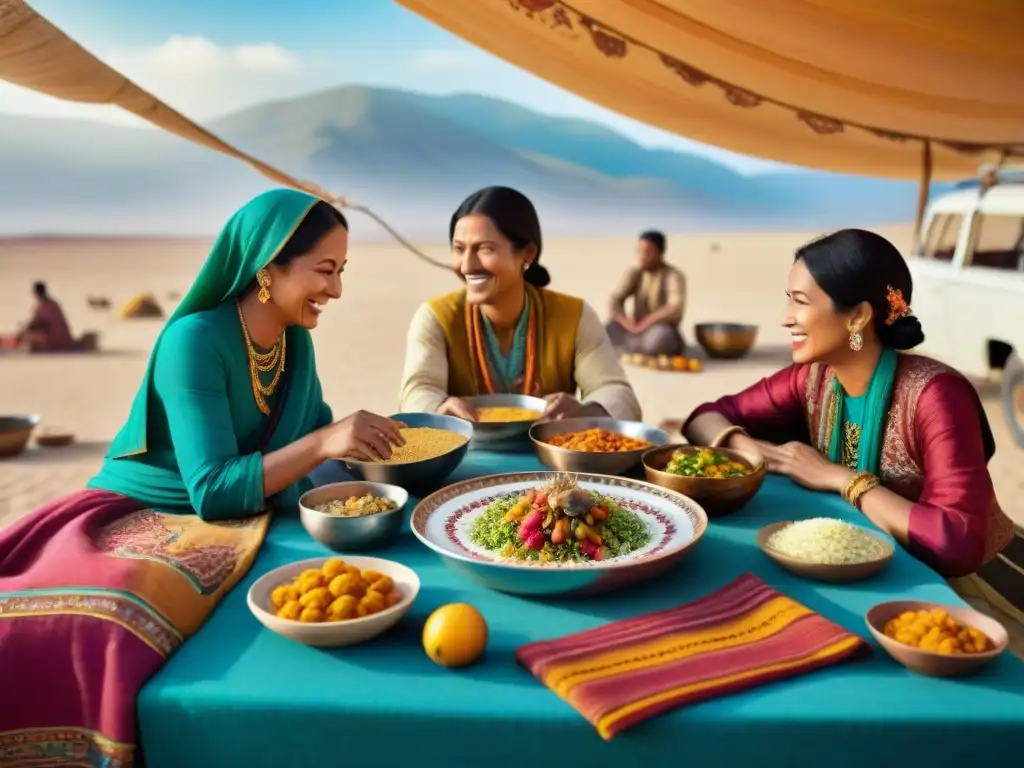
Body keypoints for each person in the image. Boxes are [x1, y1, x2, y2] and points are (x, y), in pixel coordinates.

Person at [0, 189, 404, 766]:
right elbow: (213, 490)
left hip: (242, 514)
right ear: (268, 267)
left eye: (341, 271)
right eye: (324, 270)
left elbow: (318, 445)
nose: (336, 290)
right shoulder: (193, 342)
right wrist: (323, 442)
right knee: (109, 625)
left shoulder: (295, 342)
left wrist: (385, 471)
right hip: (145, 510)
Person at [679, 228, 1022, 652]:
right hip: (888, 574)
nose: (786, 317)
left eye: (800, 302)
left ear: (858, 316)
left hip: (979, 592)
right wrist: (747, 448)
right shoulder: (814, 379)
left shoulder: (935, 396)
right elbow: (704, 419)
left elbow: (956, 542)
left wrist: (839, 479)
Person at [399, 186, 642, 422]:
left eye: (484, 249)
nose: (467, 266)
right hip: (463, 456)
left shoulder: (573, 316)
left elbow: (618, 395)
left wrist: (586, 412)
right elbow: (418, 390)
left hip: (553, 458)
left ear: (527, 254)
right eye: (459, 249)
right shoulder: (436, 317)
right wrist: (439, 409)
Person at [606, 230, 687, 356]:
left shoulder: (672, 275)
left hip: (660, 329)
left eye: (647, 252)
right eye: (639, 251)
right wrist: (626, 322)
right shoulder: (635, 273)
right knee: (603, 331)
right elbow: (615, 299)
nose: (642, 256)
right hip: (634, 329)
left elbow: (675, 306)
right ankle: (634, 346)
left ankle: (632, 347)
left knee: (659, 339)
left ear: (659, 252)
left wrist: (648, 321)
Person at [15, 281, 76, 352]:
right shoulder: (52, 304)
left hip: (55, 341)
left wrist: (24, 329)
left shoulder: (45, 305)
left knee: (26, 338)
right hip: (62, 339)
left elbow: (40, 324)